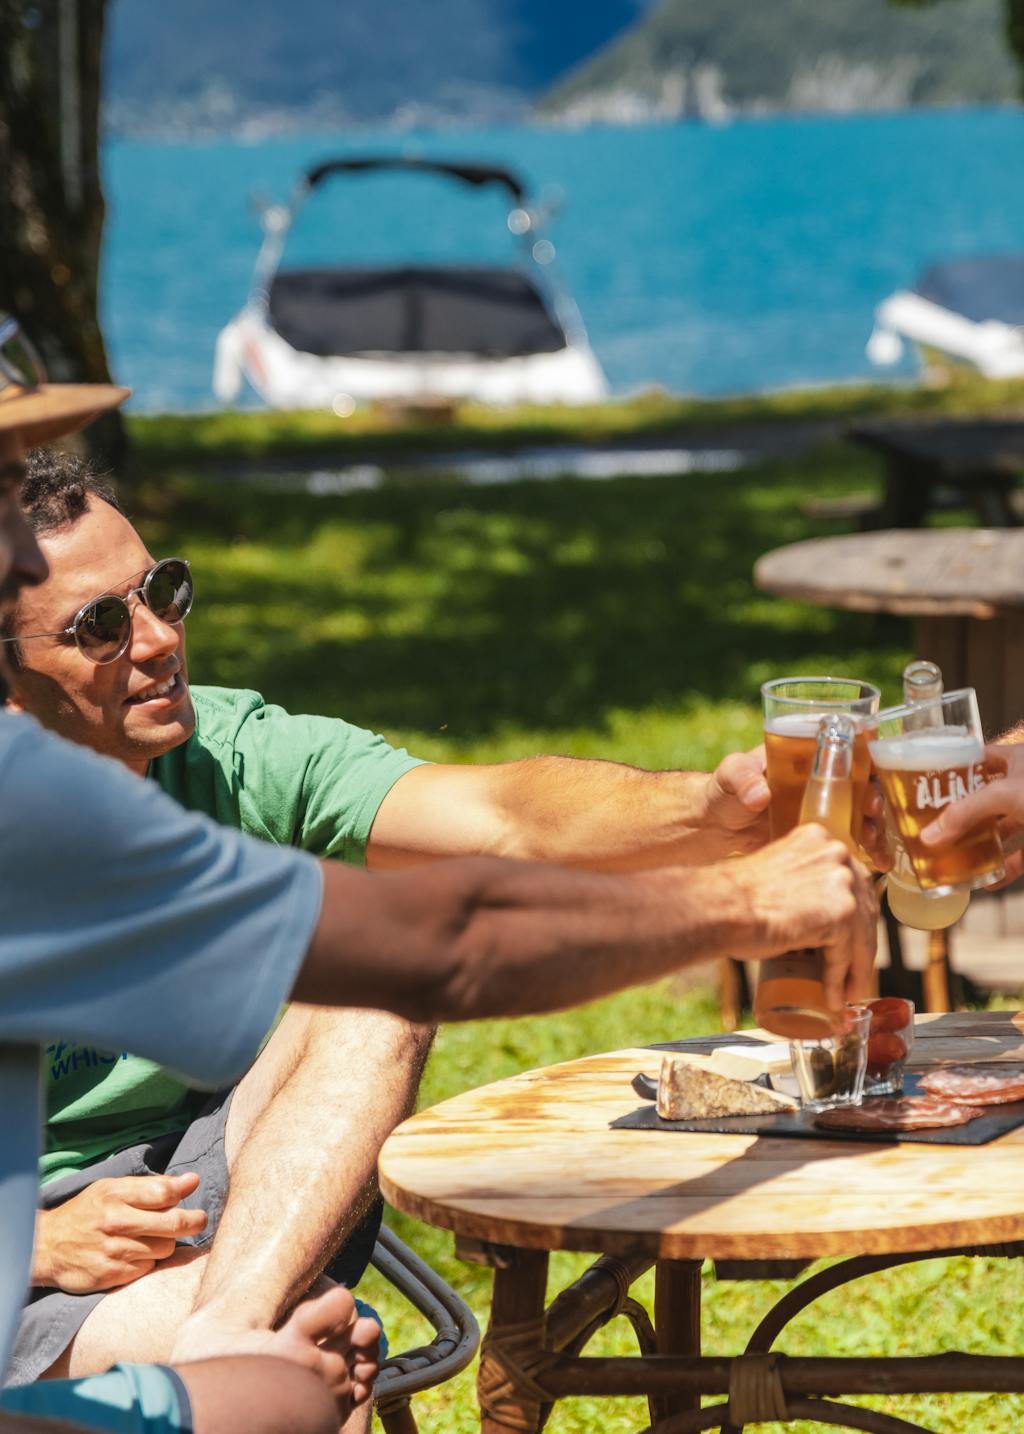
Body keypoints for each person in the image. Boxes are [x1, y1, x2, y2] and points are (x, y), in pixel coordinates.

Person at [0, 316, 876, 1429]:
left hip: (204, 1201)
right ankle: (246, 1353)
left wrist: (704, 809)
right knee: (317, 1358)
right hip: (37, 1264)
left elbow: (498, 816)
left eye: (161, 591)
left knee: (359, 1004)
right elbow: (454, 935)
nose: (160, 639)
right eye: (98, 627)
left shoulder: (213, 747)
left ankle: (238, 1340)